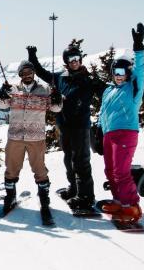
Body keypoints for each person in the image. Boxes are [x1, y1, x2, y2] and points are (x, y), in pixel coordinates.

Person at [27, 40, 105, 213]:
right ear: (66, 61)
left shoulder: (89, 80)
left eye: (77, 57)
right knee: (68, 159)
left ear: (81, 59)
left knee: (81, 162)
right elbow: (41, 72)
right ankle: (74, 189)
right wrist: (32, 57)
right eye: (71, 59)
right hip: (64, 126)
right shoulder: (60, 78)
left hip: (81, 127)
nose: (75, 61)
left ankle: (86, 196)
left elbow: (106, 94)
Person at [0, 60, 62, 224]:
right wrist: (1, 94)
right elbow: (1, 104)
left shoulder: (45, 89)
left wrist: (57, 98)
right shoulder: (13, 89)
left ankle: (44, 201)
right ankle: (10, 197)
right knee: (11, 168)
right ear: (20, 75)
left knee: (39, 169)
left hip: (36, 138)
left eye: (29, 72)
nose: (27, 75)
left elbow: (56, 108)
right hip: (15, 137)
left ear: (33, 73)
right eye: (23, 73)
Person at [98, 23, 144, 226]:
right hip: (109, 134)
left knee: (121, 171)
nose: (119, 74)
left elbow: (141, 71)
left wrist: (138, 49)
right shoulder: (108, 90)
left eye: (122, 71)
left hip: (126, 133)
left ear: (127, 73)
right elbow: (103, 112)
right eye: (115, 71)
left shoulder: (133, 88)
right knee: (110, 171)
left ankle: (132, 205)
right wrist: (98, 129)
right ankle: (119, 201)